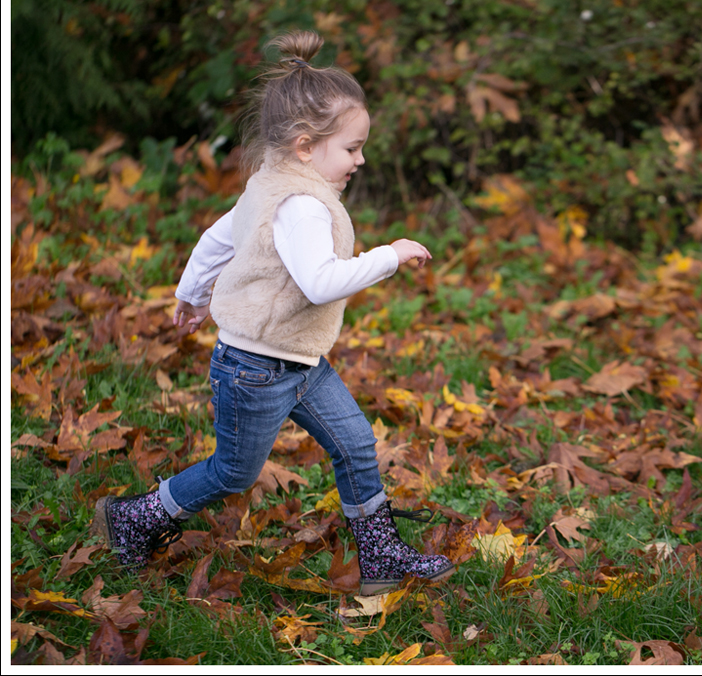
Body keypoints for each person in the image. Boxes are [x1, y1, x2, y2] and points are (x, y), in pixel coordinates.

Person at [91, 30, 454, 596]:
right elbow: (318, 282)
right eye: (353, 148)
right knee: (234, 472)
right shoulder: (302, 204)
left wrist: (191, 291)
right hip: (255, 370)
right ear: (306, 146)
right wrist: (389, 255)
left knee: (356, 445)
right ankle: (136, 519)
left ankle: (381, 556)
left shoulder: (273, 182)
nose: (362, 158)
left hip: (300, 361)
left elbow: (219, 235)